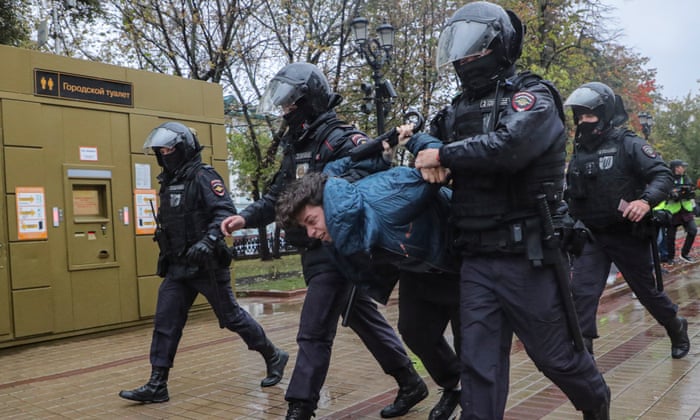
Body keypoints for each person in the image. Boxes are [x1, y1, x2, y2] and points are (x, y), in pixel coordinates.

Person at [411, 2, 611, 418]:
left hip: (527, 257)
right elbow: (423, 138)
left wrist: (443, 153)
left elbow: (508, 147)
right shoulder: (457, 107)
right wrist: (425, 149)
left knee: (555, 358)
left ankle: (597, 403)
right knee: (479, 367)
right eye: (458, 50)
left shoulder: (532, 96)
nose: (463, 60)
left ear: (498, 46)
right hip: (475, 258)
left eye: (472, 49)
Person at [220, 63, 426, 420]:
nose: (285, 110)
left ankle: (300, 405)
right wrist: (245, 217)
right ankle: (410, 381)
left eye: (290, 103)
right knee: (361, 317)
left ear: (309, 99)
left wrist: (333, 181)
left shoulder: (342, 138)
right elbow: (279, 196)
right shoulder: (295, 145)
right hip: (311, 248)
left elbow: (371, 172)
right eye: (282, 104)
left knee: (313, 329)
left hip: (339, 247)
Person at [276, 133, 462, 420]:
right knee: (415, 332)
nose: (311, 233)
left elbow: (436, 167)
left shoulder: (389, 194)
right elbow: (336, 168)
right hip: (417, 268)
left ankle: (473, 401)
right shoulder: (339, 216)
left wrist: (429, 151)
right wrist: (376, 149)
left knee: (473, 344)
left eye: (311, 221)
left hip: (458, 263)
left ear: (327, 204)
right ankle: (453, 385)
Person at [119, 122, 288, 403]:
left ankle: (273, 355)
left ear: (183, 148)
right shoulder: (170, 181)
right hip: (177, 267)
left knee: (231, 317)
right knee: (165, 322)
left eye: (169, 148)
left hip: (207, 265)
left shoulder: (204, 176)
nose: (164, 153)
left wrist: (208, 240)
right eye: (161, 150)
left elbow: (224, 211)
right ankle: (157, 384)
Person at [564, 82, 690, 361]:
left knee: (647, 292)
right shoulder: (579, 152)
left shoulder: (628, 143)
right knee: (581, 294)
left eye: (589, 116)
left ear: (606, 114)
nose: (583, 123)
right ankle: (585, 359)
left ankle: (675, 325)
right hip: (592, 236)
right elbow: (572, 193)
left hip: (626, 235)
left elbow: (662, 175)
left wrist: (645, 201)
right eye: (580, 117)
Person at [657, 160, 697, 263]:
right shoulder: (667, 179)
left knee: (693, 231)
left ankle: (685, 254)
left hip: (685, 209)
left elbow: (691, 189)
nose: (684, 168)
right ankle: (670, 257)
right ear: (676, 168)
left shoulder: (686, 177)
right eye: (682, 166)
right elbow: (662, 192)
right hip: (672, 211)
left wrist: (689, 192)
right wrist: (671, 194)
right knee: (670, 237)